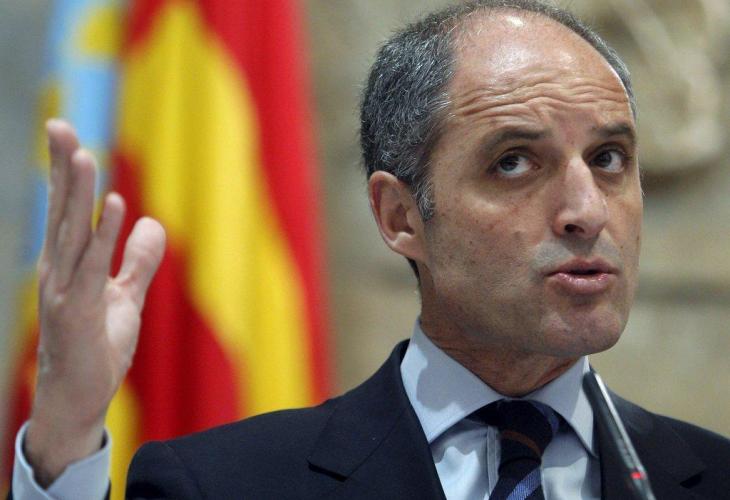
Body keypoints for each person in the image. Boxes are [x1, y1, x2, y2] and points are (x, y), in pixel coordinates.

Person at [11, 0, 730, 498]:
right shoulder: (222, 484)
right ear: (400, 216)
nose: (587, 211)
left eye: (609, 159)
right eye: (513, 162)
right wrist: (64, 437)